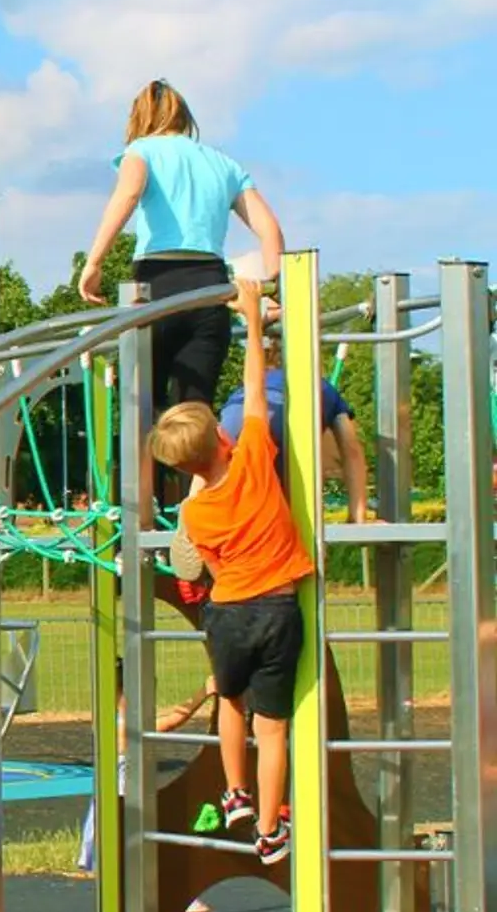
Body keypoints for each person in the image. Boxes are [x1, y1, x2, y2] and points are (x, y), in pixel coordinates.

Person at [146, 276, 312, 865]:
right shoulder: (253, 463)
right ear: (224, 436)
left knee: (231, 706)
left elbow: (197, 554)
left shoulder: (194, 508)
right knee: (274, 726)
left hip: (226, 615)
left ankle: (235, 792)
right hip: (276, 607)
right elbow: (256, 388)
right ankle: (269, 827)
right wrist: (253, 324)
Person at [78, 80, 285, 415]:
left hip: (156, 288)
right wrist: (274, 288)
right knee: (193, 417)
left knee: (145, 413)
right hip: (211, 290)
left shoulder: (141, 151)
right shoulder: (224, 164)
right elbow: (270, 230)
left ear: (139, 118)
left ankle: (147, 468)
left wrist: (95, 262)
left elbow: (128, 193)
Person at [171, 340, 373, 582]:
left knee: (213, 464)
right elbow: (351, 450)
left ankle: (193, 506)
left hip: (237, 413)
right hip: (283, 424)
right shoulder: (322, 387)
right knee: (284, 496)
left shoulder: (247, 386)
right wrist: (357, 515)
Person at [78, 668, 217, 912]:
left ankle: (146, 898)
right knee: (151, 846)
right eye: (143, 693)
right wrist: (204, 692)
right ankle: (174, 896)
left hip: (121, 800)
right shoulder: (123, 728)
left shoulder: (110, 720)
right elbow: (175, 720)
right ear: (123, 695)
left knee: (141, 852)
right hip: (124, 803)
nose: (148, 700)